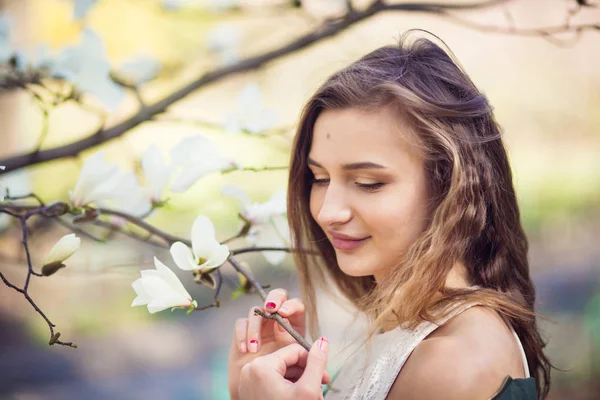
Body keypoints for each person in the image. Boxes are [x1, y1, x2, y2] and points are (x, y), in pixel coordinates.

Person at [228, 31, 551, 399]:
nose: (329, 211)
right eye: (319, 178)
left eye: (367, 183)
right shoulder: (407, 334)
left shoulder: (452, 363)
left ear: (449, 186)